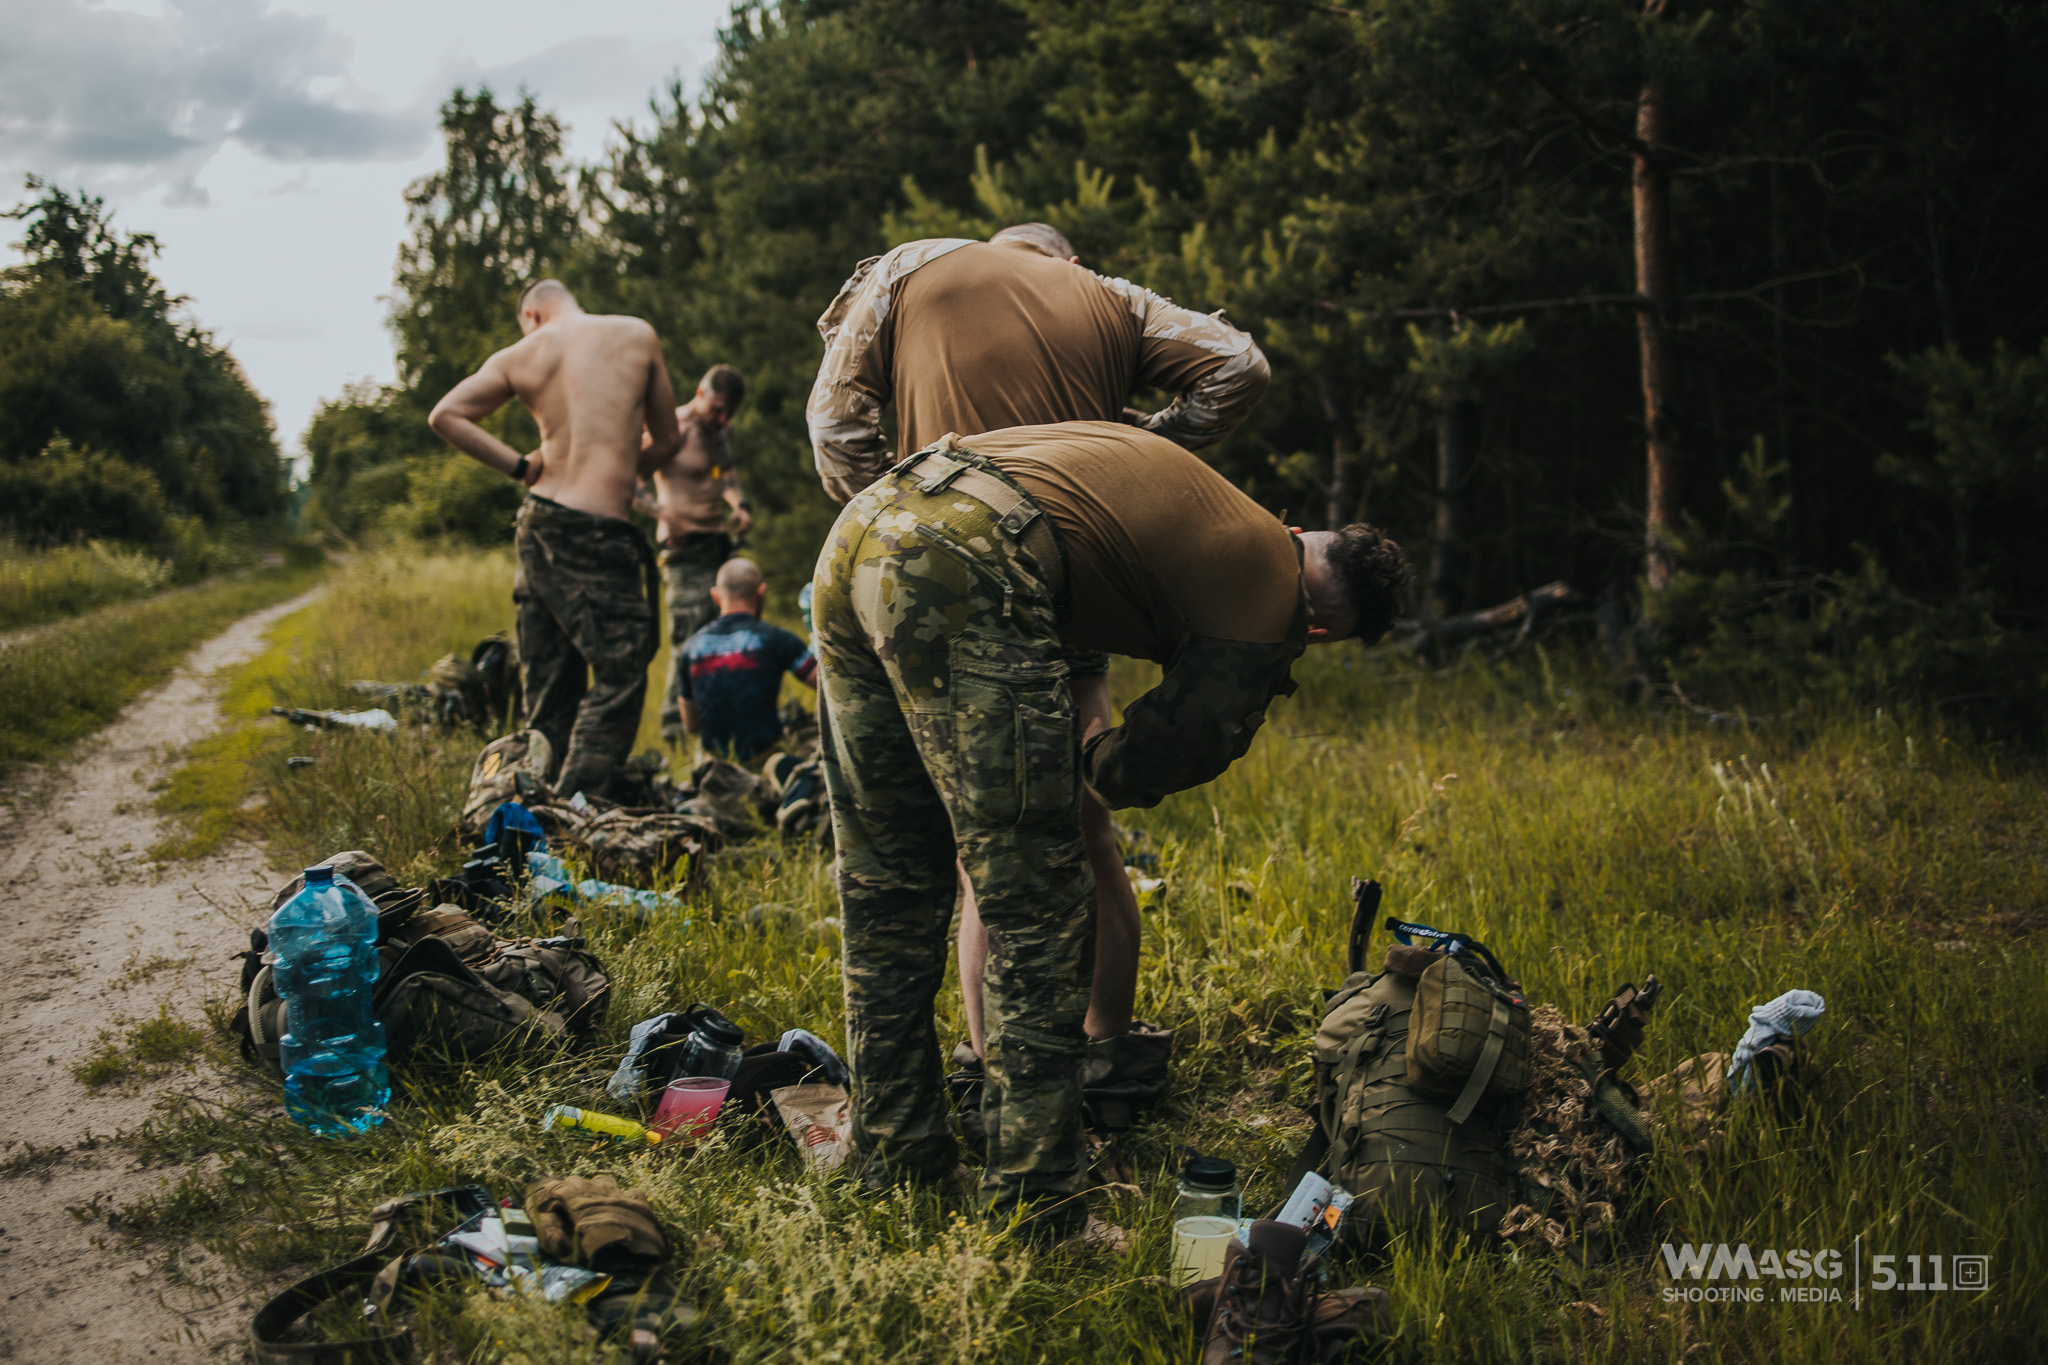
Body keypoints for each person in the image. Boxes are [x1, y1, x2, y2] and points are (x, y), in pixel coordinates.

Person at [811, 420, 1409, 1238]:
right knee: (1041, 905)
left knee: (887, 878)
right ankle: (1040, 1200)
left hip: (863, 528)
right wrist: (1091, 749)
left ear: (1304, 530)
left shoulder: (1216, 501)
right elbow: (1147, 765)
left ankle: (895, 1150)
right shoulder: (1273, 603)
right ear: (1321, 629)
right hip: (964, 565)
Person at [807, 222, 1273, 1093]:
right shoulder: (1113, 299)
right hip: (1071, 579)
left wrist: (893, 500)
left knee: (977, 843)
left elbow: (832, 422)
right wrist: (1150, 444)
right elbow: (1239, 367)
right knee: (1089, 828)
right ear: (1065, 261)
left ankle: (988, 1064)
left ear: (997, 247)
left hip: (941, 584)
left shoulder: (915, 268)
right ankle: (1109, 1045)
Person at [427, 279, 681, 798]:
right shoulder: (635, 335)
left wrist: (522, 467)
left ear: (531, 315)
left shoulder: (522, 353)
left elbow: (445, 416)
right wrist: (624, 468)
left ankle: (527, 805)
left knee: (549, 684)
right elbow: (670, 438)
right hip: (598, 533)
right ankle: (573, 810)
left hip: (538, 524)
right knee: (620, 677)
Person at [640, 364, 752, 744]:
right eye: (716, 409)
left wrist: (740, 504)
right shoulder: (671, 429)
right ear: (700, 393)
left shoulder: (717, 430)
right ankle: (674, 729)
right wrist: (663, 514)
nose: (721, 418)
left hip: (717, 545)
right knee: (688, 639)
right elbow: (631, 480)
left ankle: (713, 722)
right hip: (682, 551)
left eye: (728, 413)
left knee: (722, 636)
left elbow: (725, 472)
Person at [676, 557, 817, 765]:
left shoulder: (692, 648)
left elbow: (691, 725)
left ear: (715, 596)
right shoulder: (775, 639)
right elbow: (826, 684)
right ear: (761, 592)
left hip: (716, 767)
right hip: (765, 759)